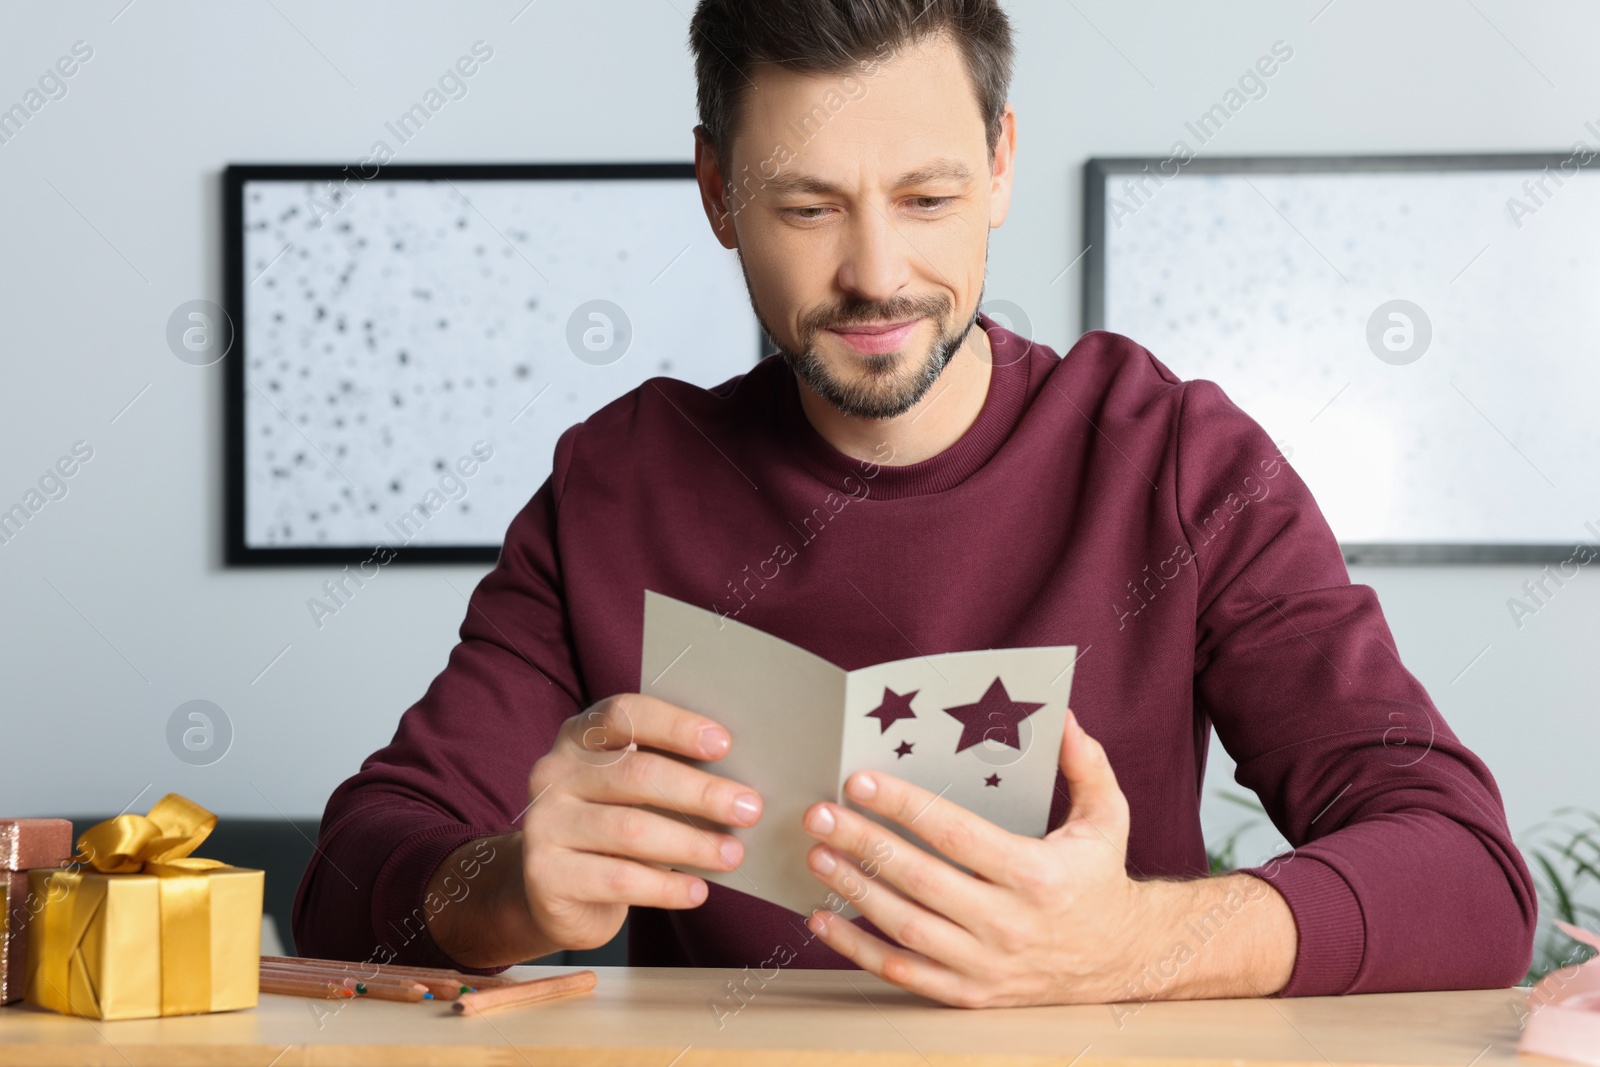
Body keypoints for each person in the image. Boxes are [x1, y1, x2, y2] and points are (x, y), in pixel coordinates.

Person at [292, 0, 1536, 1008]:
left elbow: (1470, 874)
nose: (876, 273)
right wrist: (503, 888)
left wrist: (1133, 945)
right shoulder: (617, 482)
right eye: (805, 205)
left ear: (1000, 165)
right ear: (717, 193)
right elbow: (348, 875)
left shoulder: (1176, 457)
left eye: (927, 199)